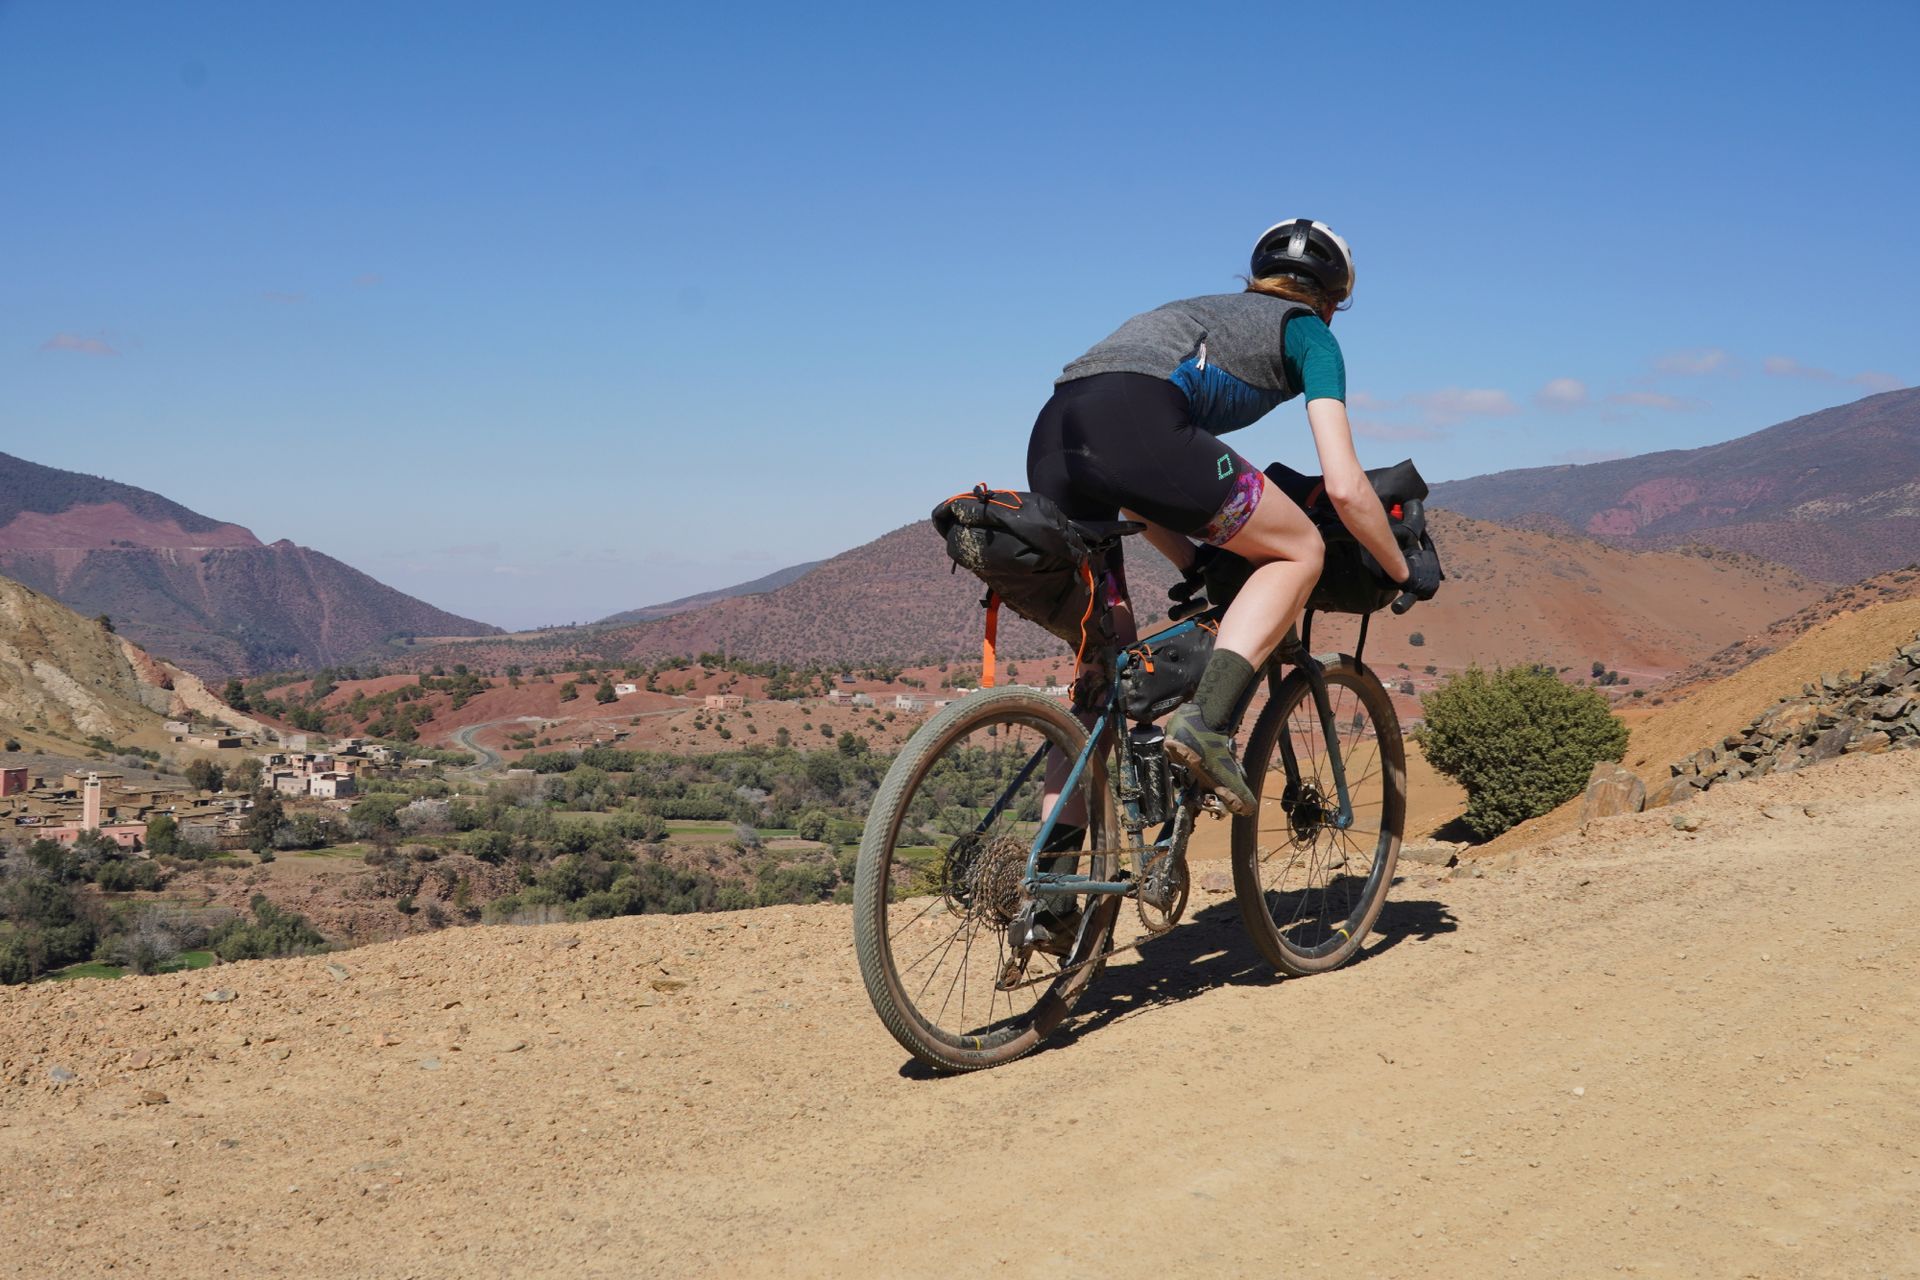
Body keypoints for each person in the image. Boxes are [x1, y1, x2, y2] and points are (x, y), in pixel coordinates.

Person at [1022, 221, 1440, 934]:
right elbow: (1344, 486)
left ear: (1255, 276)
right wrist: (1401, 571)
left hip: (1054, 434)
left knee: (1101, 675)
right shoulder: (1310, 334)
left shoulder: (1200, 311)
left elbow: (1126, 478)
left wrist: (1193, 560)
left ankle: (1053, 898)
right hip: (1137, 424)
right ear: (1335, 297)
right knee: (1299, 550)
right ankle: (1207, 725)